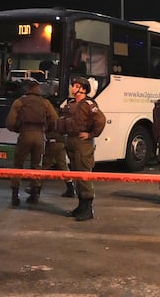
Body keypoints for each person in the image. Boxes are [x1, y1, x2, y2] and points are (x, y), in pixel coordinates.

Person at [56, 77, 106, 221]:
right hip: (71, 140)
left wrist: (91, 134)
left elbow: (100, 120)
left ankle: (88, 209)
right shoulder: (71, 104)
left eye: (76, 86)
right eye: (73, 85)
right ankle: (81, 206)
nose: (73, 88)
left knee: (84, 174)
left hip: (82, 143)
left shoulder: (88, 104)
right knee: (77, 174)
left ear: (83, 89)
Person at [5, 80, 58, 206]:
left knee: (18, 165)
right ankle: (35, 195)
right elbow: (55, 120)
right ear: (38, 89)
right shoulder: (45, 103)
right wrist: (45, 130)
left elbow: (10, 123)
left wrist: (19, 129)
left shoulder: (19, 102)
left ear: (27, 89)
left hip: (25, 135)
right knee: (36, 166)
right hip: (40, 136)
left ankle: (14, 196)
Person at [41, 121, 75, 198]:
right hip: (62, 142)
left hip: (53, 141)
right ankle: (71, 188)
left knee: (45, 165)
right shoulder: (61, 115)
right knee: (63, 166)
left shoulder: (50, 114)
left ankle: (36, 189)